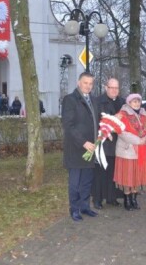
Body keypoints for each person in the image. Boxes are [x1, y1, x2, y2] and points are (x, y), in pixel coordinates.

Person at [61, 72, 100, 222]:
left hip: (91, 149)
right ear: (79, 83)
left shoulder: (94, 100)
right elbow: (68, 125)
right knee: (75, 183)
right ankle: (74, 209)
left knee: (86, 181)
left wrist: (107, 130)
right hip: (77, 149)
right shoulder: (70, 100)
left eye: (91, 83)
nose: (88, 86)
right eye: (85, 83)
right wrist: (83, 142)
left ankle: (85, 206)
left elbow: (97, 121)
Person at [114, 93, 146, 211]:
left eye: (138, 101)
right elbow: (121, 131)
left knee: (137, 177)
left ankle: (134, 199)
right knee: (128, 177)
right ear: (129, 103)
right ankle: (127, 199)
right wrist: (138, 140)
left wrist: (145, 139)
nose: (137, 103)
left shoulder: (144, 114)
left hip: (141, 151)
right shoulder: (122, 114)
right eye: (134, 101)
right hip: (127, 151)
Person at [91, 78, 125, 209]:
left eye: (117, 88)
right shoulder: (98, 101)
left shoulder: (122, 102)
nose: (114, 90)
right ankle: (97, 199)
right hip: (104, 143)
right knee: (100, 173)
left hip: (118, 144)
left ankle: (112, 197)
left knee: (113, 172)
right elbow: (96, 121)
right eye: (112, 88)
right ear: (106, 88)